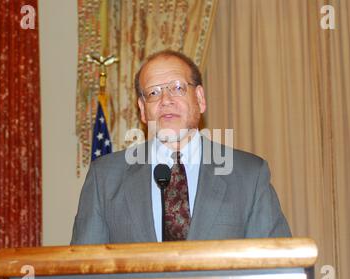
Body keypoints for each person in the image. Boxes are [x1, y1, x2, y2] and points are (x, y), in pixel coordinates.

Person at [71, 49, 291, 245]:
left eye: (177, 88)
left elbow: (279, 270)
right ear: (142, 109)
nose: (166, 100)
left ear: (200, 99)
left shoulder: (248, 175)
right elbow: (84, 273)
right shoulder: (105, 178)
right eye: (154, 93)